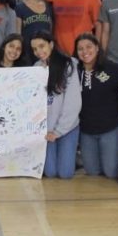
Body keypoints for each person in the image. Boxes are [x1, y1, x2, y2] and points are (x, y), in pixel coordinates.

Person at [75, 32, 118, 179]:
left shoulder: (111, 68)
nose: (85, 51)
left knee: (111, 173)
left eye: (89, 47)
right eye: (80, 48)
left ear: (97, 48)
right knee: (92, 172)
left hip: (110, 128)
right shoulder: (74, 71)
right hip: (86, 131)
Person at [30, 32, 81, 179]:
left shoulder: (69, 64)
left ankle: (73, 156)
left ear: (51, 44)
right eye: (35, 49)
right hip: (47, 130)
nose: (39, 52)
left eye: (42, 46)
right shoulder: (36, 67)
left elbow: (73, 102)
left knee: (65, 174)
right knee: (50, 172)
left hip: (67, 127)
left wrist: (59, 131)